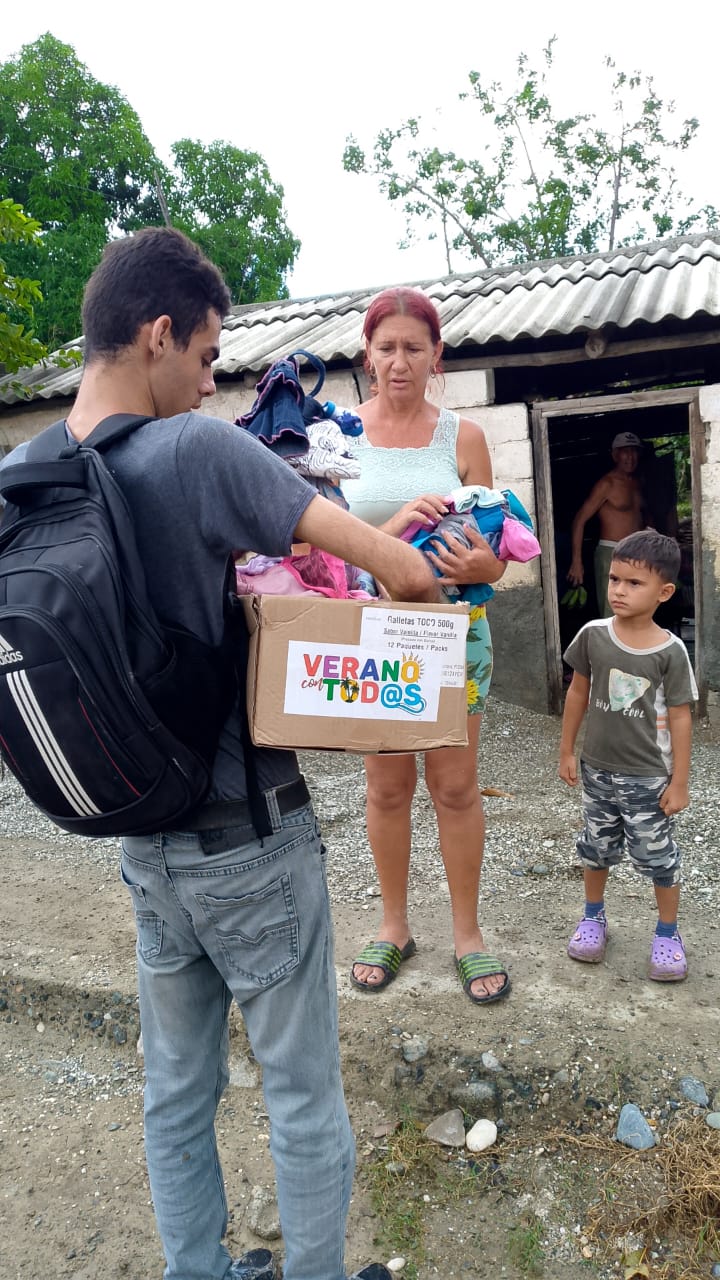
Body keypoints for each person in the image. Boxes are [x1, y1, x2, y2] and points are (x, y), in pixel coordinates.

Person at [3, 229, 444, 1280]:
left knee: (174, 1086)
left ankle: (195, 1267)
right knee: (300, 1090)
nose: (211, 383)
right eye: (206, 358)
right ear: (158, 335)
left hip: (139, 841)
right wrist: (437, 562)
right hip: (249, 834)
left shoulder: (22, 478)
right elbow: (400, 574)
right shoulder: (195, 452)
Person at [342, 287, 511, 1006]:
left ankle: (468, 937)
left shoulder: (461, 438)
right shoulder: (338, 432)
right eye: (387, 348)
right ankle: (394, 926)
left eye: (415, 348)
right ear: (368, 357)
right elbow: (313, 550)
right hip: (374, 634)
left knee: (455, 786)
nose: (400, 362)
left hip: (455, 635)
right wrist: (389, 535)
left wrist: (487, 569)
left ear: (437, 355)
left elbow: (499, 546)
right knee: (386, 788)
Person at [558, 530, 697, 981]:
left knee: (658, 856)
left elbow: (680, 717)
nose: (618, 589)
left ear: (665, 592)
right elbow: (578, 692)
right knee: (595, 849)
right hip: (597, 770)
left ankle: (667, 933)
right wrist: (566, 750)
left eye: (634, 583)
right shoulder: (593, 635)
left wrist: (679, 780)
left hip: (648, 777)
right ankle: (593, 917)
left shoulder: (671, 651)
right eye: (615, 579)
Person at [567, 431, 644, 616]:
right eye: (625, 451)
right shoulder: (607, 484)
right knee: (613, 611)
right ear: (615, 455)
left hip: (637, 553)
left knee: (636, 608)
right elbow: (579, 520)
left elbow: (640, 514)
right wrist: (576, 562)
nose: (630, 457)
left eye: (634, 451)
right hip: (612, 552)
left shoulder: (637, 482)